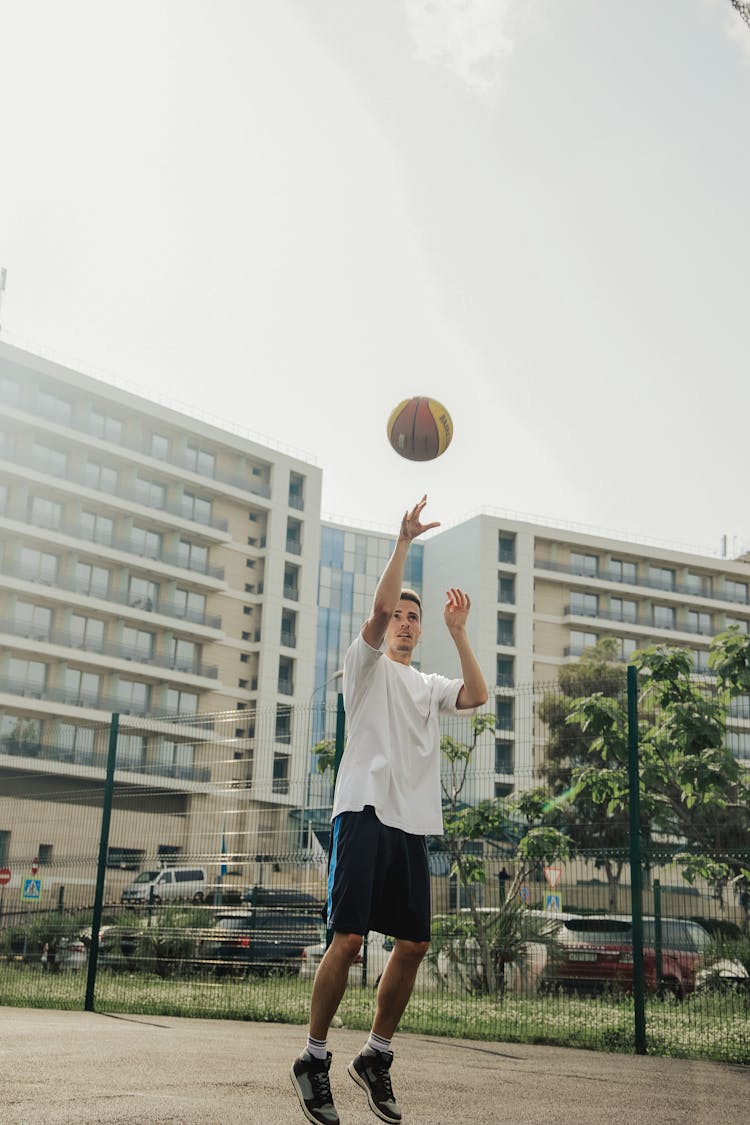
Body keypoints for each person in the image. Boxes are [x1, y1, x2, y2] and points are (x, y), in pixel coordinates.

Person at [291, 495, 488, 1125]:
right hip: (363, 813)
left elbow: (478, 695)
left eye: (413, 618)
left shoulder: (427, 687)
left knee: (414, 944)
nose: (403, 621)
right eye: (398, 614)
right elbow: (377, 607)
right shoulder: (365, 665)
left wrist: (460, 635)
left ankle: (375, 1055)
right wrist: (403, 542)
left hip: (411, 824)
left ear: (421, 629)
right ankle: (314, 1058)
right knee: (347, 940)